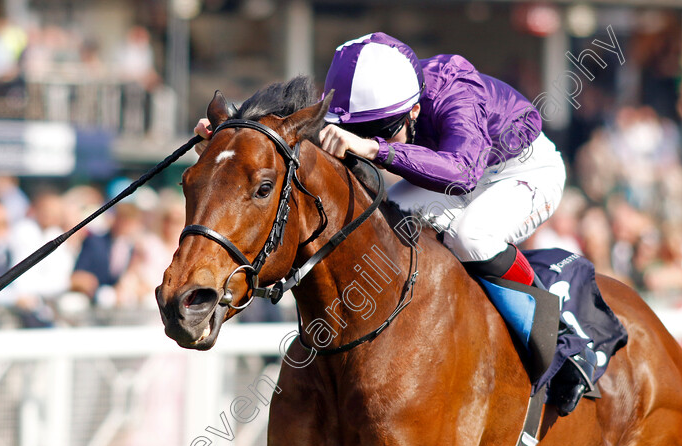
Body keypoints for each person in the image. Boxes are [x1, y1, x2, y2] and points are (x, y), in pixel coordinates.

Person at [194, 33, 591, 415]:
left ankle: (561, 336)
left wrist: (375, 148)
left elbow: (463, 173)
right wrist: (228, 136)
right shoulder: (370, 101)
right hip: (456, 171)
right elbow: (283, 133)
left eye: (377, 129)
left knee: (473, 236)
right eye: (355, 128)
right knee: (384, 223)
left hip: (520, 169)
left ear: (414, 109)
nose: (360, 137)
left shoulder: (458, 92)